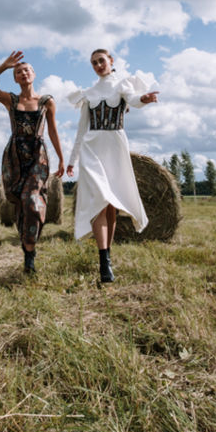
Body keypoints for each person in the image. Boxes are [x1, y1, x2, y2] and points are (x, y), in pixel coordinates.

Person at [66, 49, 158, 283]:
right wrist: (71, 160)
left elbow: (135, 100)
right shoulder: (88, 94)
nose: (98, 65)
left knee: (111, 204)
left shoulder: (121, 85)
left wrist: (145, 100)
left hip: (115, 148)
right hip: (92, 149)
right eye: (94, 63)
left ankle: (107, 253)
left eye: (101, 61)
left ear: (111, 61)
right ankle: (103, 261)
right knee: (99, 201)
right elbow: (81, 130)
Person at [0, 50, 64, 274]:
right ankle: (28, 251)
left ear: (34, 74)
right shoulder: (11, 100)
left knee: (32, 201)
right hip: (15, 157)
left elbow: (53, 132)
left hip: (38, 156)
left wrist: (62, 159)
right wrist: (4, 66)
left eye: (26, 70)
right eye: (18, 72)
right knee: (19, 203)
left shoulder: (47, 101)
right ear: (15, 78)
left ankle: (30, 252)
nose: (23, 73)